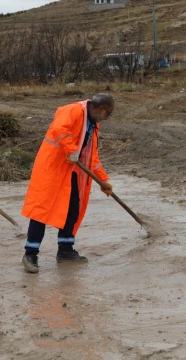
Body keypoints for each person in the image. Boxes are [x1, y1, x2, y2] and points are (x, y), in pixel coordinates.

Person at [20, 93, 115, 273]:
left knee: (72, 209)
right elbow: (59, 129)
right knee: (42, 210)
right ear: (100, 109)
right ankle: (30, 254)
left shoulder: (93, 125)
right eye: (108, 114)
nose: (107, 118)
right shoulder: (73, 110)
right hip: (52, 169)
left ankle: (65, 250)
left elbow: (92, 156)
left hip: (73, 173)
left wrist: (103, 180)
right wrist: (71, 150)